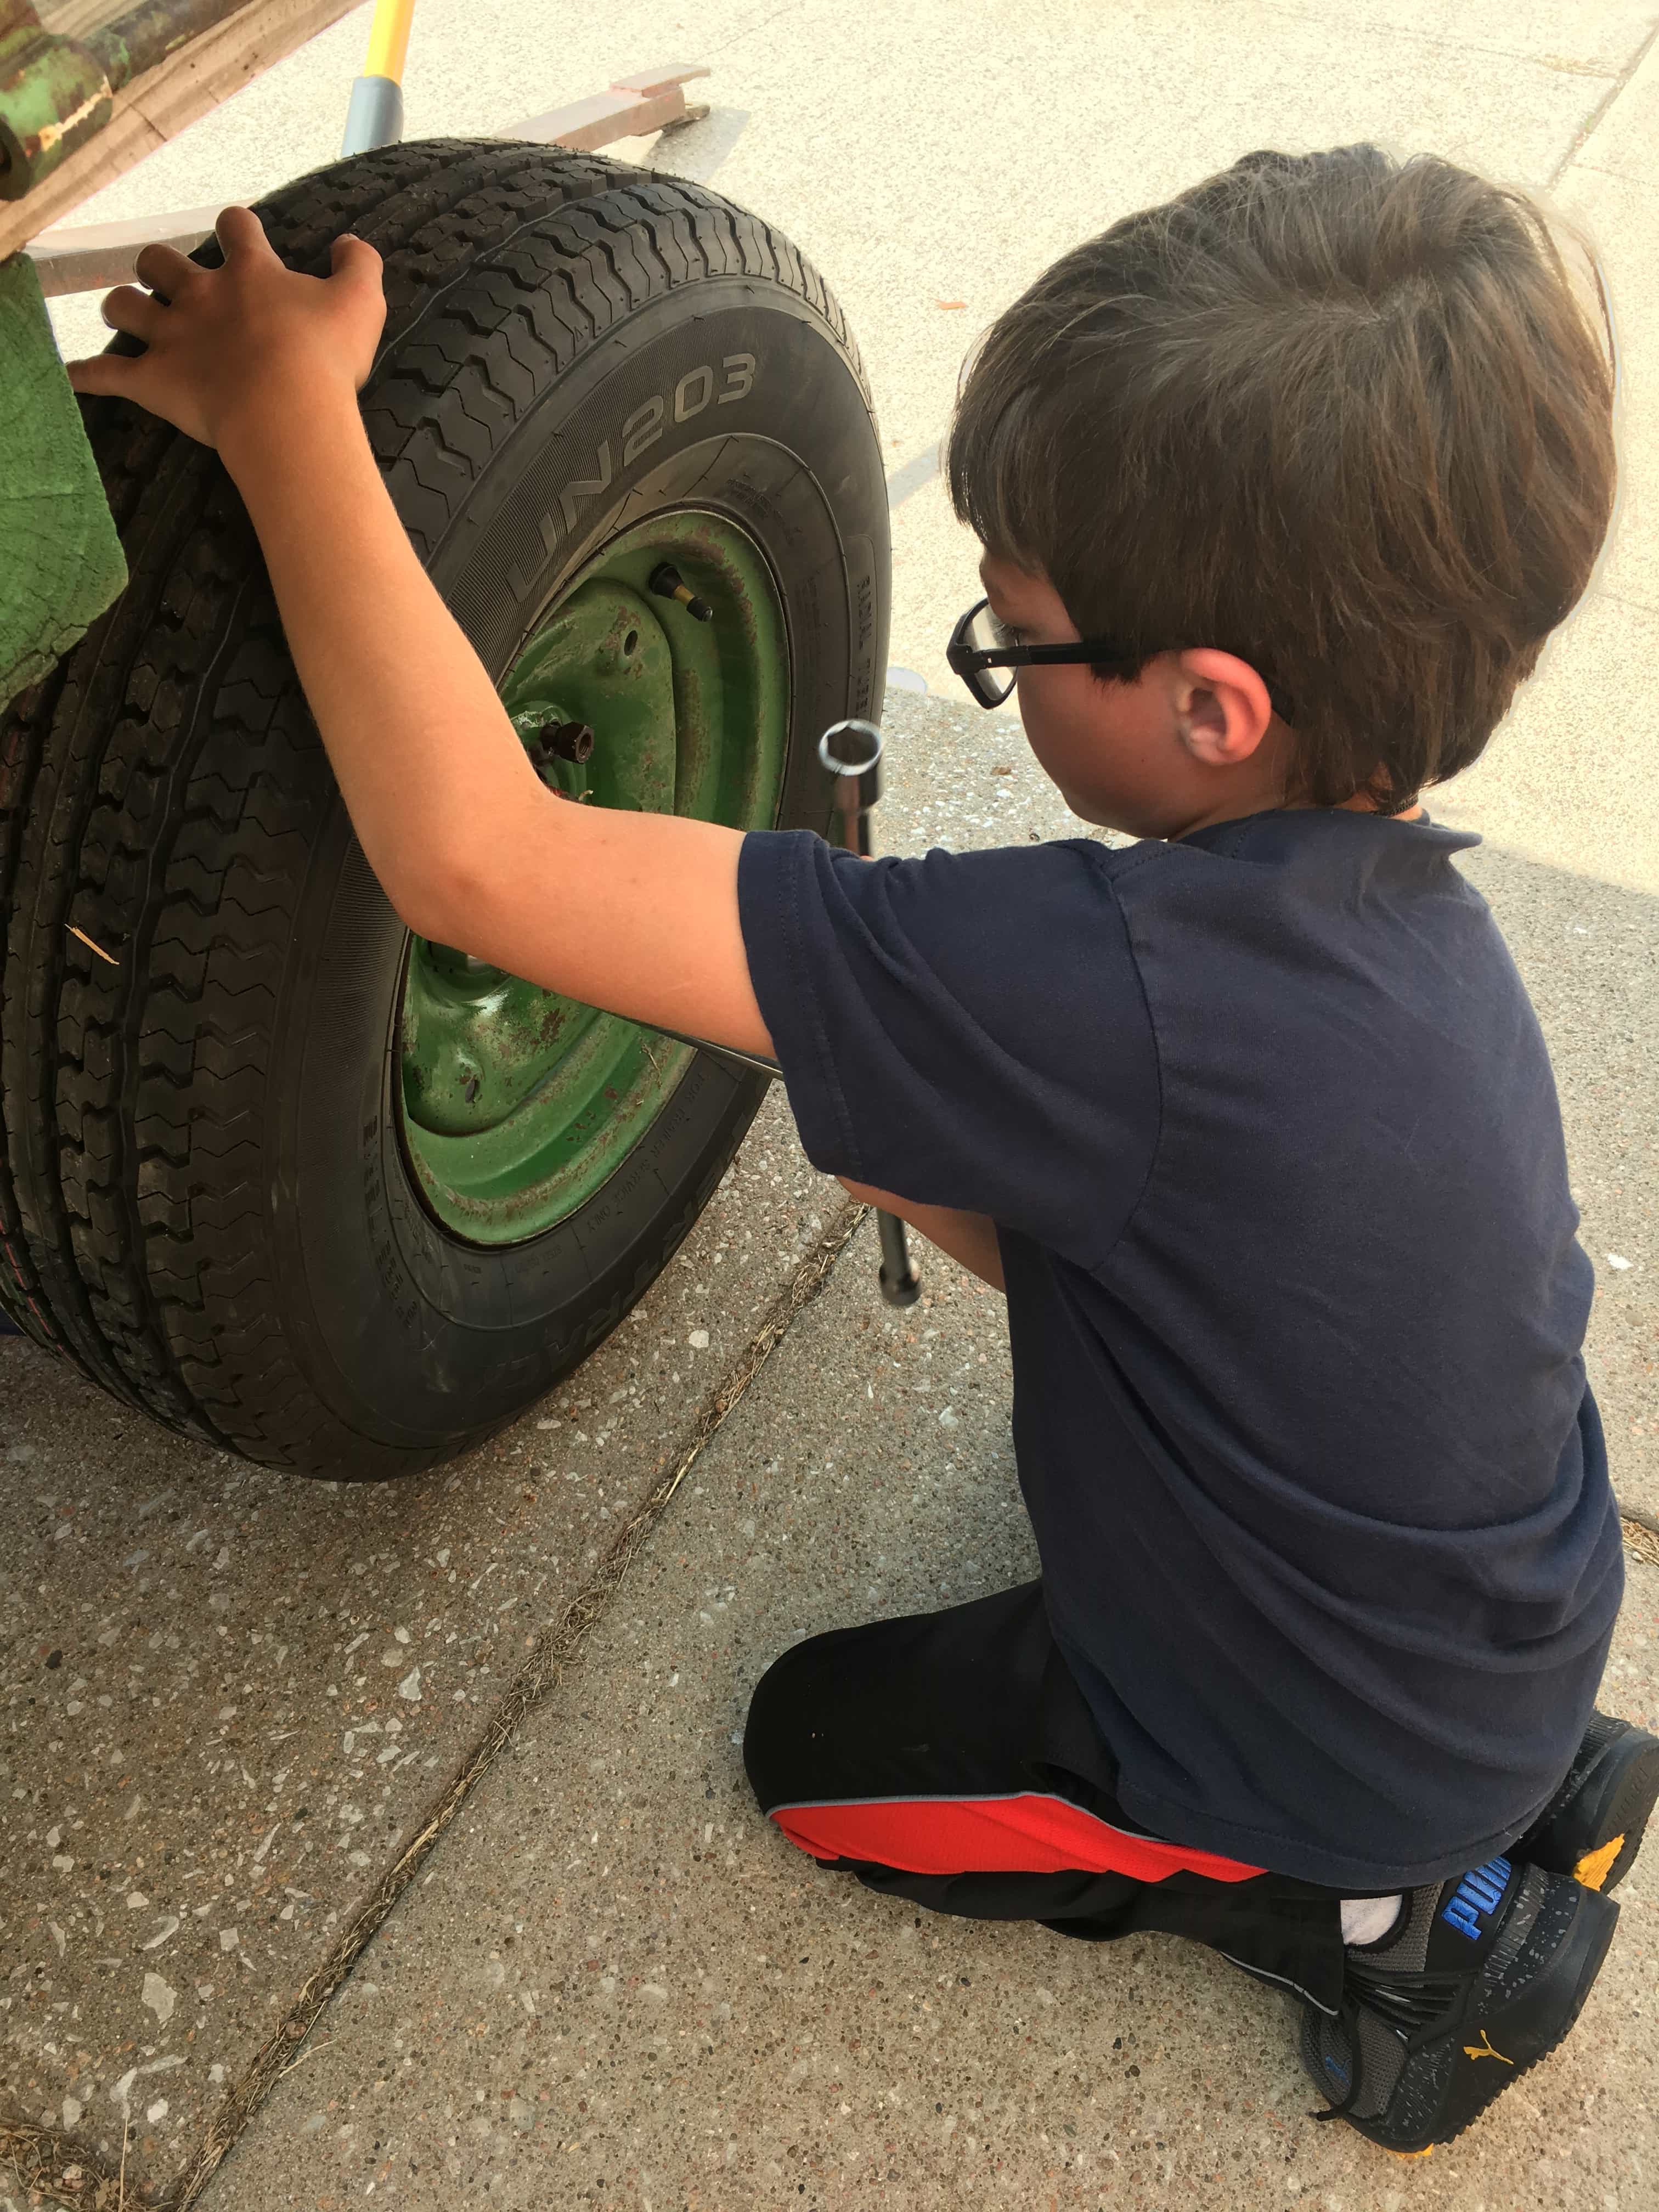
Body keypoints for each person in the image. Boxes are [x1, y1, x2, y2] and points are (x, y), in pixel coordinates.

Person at [67, 142, 1658, 2158]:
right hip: (1498, 1609)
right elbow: (1245, 1274)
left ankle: (1383, 1914)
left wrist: (283, 404)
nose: (989, 653)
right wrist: (918, 1122)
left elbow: (476, 861)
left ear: (1211, 706)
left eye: (1013, 638)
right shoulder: (1412, 930)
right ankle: (1504, 1781)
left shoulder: (1103, 990)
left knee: (808, 1755)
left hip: (1300, 1744)